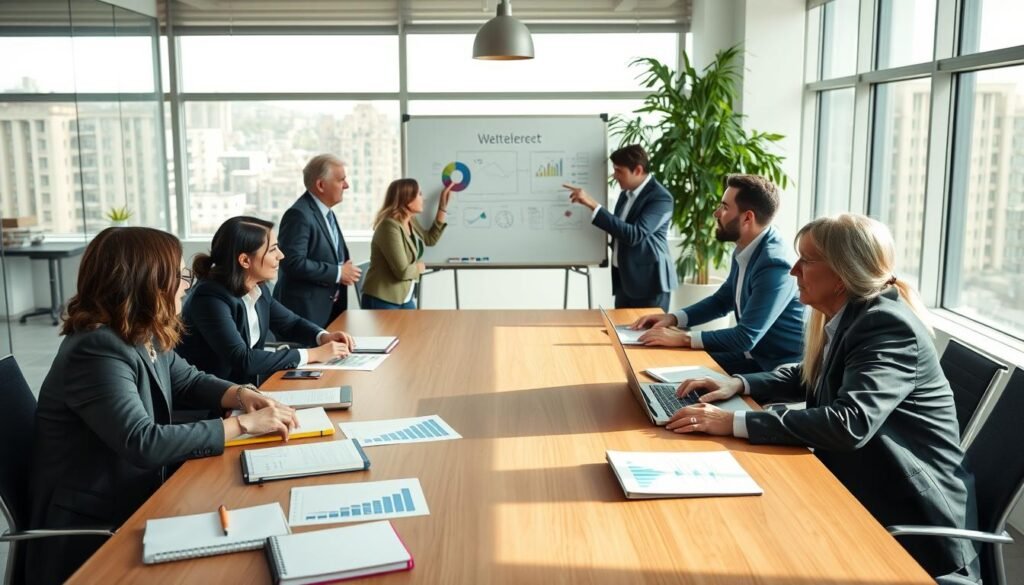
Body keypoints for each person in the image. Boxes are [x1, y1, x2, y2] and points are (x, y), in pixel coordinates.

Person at [665, 214, 979, 582]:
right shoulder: (852, 316)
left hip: (904, 513)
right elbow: (810, 373)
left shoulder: (886, 326)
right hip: (857, 484)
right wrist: (739, 385)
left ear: (843, 275)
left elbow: (849, 423)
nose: (794, 269)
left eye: (806, 260)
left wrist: (733, 422)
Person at [26, 227, 300, 585]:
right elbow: (144, 441)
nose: (187, 285)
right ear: (147, 282)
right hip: (97, 513)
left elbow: (187, 379)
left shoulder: (141, 331)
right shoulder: (96, 349)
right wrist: (244, 425)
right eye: (180, 276)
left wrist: (241, 394)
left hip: (137, 488)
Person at [630, 174, 804, 374]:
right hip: (752, 355)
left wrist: (683, 337)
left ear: (748, 217)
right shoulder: (746, 246)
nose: (716, 213)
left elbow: (745, 337)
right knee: (663, 361)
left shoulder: (775, 263)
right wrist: (673, 319)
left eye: (725, 207)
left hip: (775, 367)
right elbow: (723, 301)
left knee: (680, 373)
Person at [178, 216, 356, 385]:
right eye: (272, 250)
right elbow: (242, 359)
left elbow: (291, 323)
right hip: (215, 401)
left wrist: (323, 336)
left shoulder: (257, 286)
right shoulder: (209, 298)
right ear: (245, 260)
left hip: (246, 387)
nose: (281, 255)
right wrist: (313, 354)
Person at [564, 144, 674, 312]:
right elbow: (619, 231)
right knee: (621, 335)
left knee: (648, 337)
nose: (614, 176)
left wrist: (593, 204)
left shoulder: (661, 198)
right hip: (624, 281)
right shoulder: (626, 194)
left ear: (637, 170)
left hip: (649, 285)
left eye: (619, 171)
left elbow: (635, 235)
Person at [273, 154, 361, 327]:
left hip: (329, 308)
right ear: (321, 185)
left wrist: (343, 269)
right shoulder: (299, 215)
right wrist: (338, 272)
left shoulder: (326, 212)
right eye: (341, 180)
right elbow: (292, 262)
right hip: (305, 313)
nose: (347, 185)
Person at [361, 179, 453, 309]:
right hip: (383, 299)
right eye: (419, 194)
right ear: (407, 199)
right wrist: (419, 268)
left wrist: (442, 207)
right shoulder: (389, 227)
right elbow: (402, 272)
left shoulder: (410, 221)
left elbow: (430, 239)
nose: (423, 198)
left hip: (404, 297)